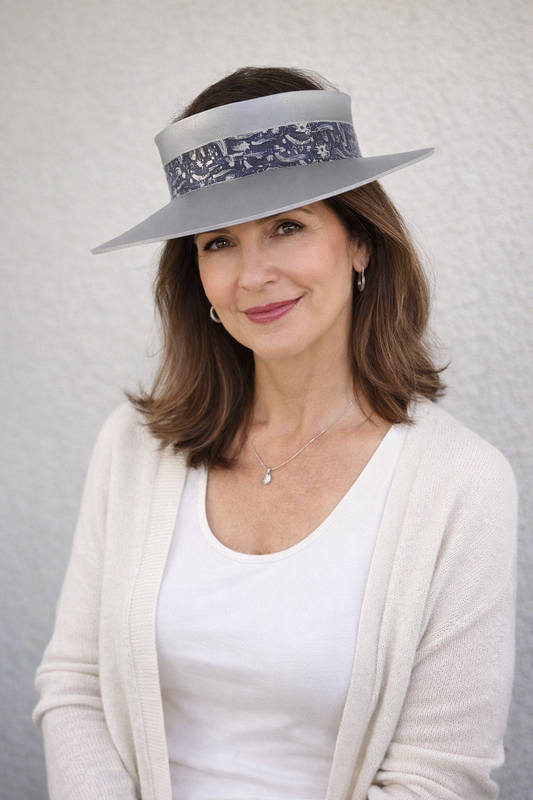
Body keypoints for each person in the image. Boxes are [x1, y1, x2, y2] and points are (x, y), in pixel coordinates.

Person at [33, 67, 517, 800]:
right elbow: (75, 684)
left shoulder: (462, 485)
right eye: (218, 242)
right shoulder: (134, 447)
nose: (252, 274)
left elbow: (438, 779)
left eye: (286, 226)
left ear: (359, 242)